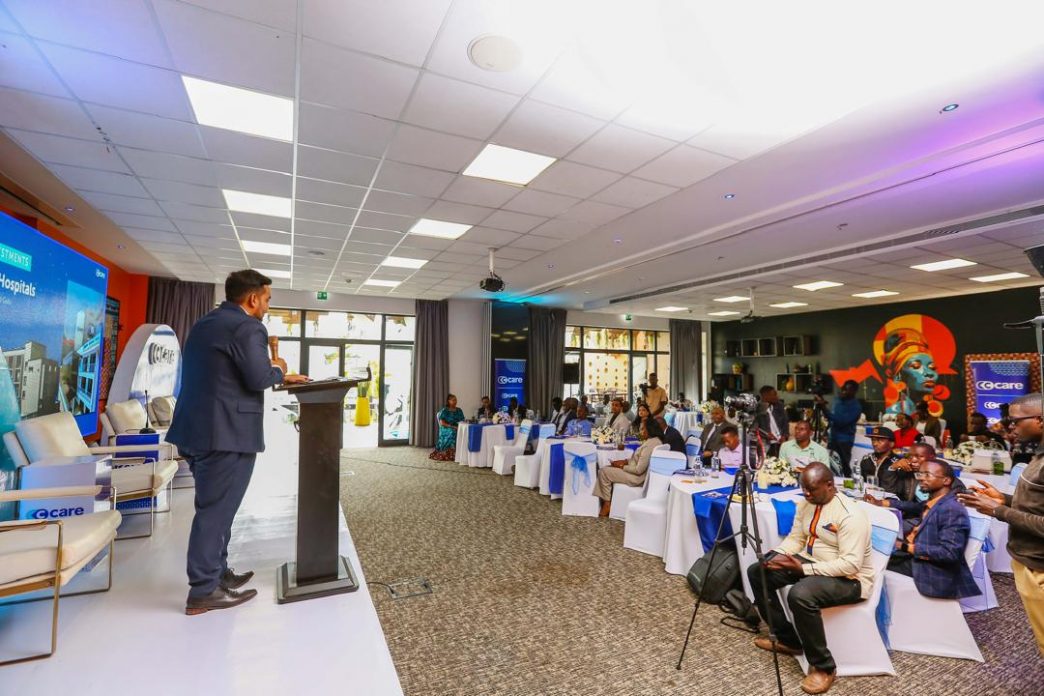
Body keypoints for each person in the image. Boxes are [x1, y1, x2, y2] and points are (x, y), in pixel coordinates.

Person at [167, 269, 310, 615]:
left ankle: (217, 574)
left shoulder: (206, 323)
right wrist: (279, 369)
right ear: (252, 298)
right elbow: (260, 376)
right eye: (267, 299)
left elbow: (225, 373)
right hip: (225, 434)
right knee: (215, 513)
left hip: (195, 431)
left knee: (216, 508)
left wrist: (274, 371)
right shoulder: (248, 326)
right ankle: (203, 590)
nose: (267, 306)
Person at [746, 462, 874, 695]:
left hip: (850, 579)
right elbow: (796, 538)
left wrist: (802, 571)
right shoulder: (807, 503)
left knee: (801, 594)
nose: (806, 494)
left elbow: (851, 564)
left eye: (811, 489)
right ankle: (789, 640)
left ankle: (824, 667)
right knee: (758, 571)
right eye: (803, 488)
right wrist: (777, 555)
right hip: (810, 562)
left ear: (829, 485)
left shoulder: (850, 515)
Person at [958, 393, 1044, 655]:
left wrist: (1000, 511)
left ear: (1040, 420)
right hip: (1028, 561)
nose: (1010, 427)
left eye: (1016, 421)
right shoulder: (1039, 454)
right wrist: (1004, 499)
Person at [868, 459, 980, 599]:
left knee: (869, 564)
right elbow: (913, 506)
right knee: (869, 549)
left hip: (931, 571)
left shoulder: (952, 509)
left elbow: (949, 553)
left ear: (946, 480)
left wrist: (903, 546)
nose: (921, 478)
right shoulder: (937, 502)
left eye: (927, 475)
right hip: (915, 558)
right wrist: (882, 503)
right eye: (920, 474)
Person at [595, 417, 665, 516]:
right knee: (607, 468)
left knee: (603, 472)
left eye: (642, 429)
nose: (640, 432)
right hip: (638, 474)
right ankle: (608, 501)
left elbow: (638, 470)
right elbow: (639, 461)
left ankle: (607, 504)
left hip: (637, 478)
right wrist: (624, 461)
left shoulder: (650, 444)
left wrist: (621, 466)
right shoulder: (655, 441)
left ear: (649, 429)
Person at [815, 379, 863, 476]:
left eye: (847, 389)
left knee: (843, 464)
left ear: (854, 391)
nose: (844, 391)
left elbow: (841, 421)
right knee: (829, 462)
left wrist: (824, 408)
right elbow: (831, 418)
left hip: (845, 440)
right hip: (833, 437)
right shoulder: (838, 400)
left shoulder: (856, 407)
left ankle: (847, 484)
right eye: (843, 388)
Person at [756, 385, 789, 455]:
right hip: (765, 444)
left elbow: (785, 423)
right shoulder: (757, 409)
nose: (777, 396)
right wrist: (766, 434)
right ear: (766, 396)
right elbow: (755, 428)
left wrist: (784, 436)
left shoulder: (780, 406)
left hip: (781, 442)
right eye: (774, 394)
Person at [431, 393, 464, 461]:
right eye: (453, 400)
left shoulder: (459, 410)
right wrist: (452, 427)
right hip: (446, 427)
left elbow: (462, 420)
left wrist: (459, 426)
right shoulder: (445, 410)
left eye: (456, 400)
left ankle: (462, 453)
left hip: (457, 427)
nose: (455, 402)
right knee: (452, 432)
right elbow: (442, 423)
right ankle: (450, 453)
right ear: (449, 401)